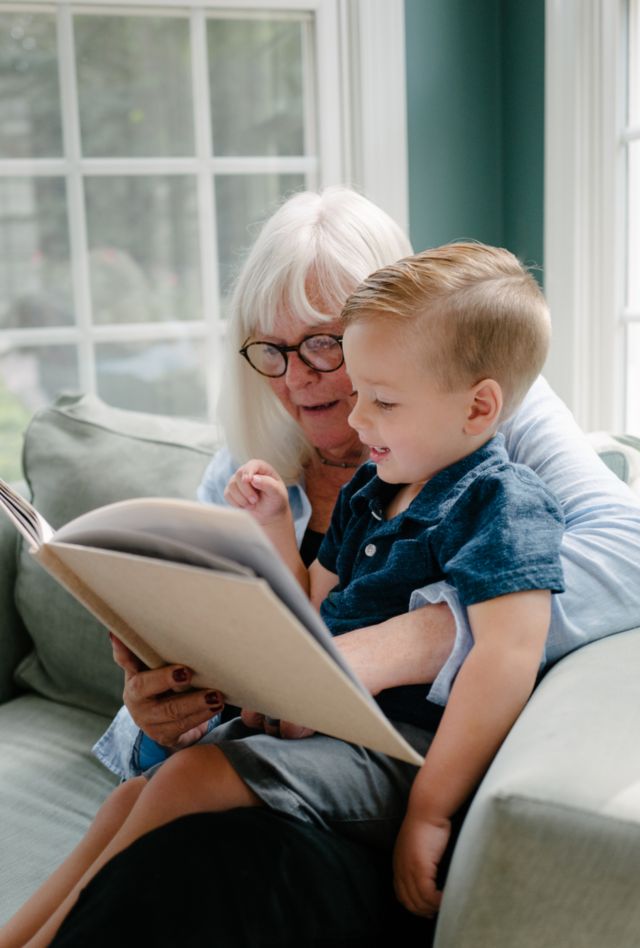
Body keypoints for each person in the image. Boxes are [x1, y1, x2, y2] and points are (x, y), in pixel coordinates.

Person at [10, 186, 640, 948]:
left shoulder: (494, 452)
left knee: (202, 840)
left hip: (372, 770)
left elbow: (611, 560)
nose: (295, 379)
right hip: (273, 746)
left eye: (323, 344)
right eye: (269, 350)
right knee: (147, 793)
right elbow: (295, 612)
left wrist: (393, 651)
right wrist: (160, 712)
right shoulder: (307, 475)